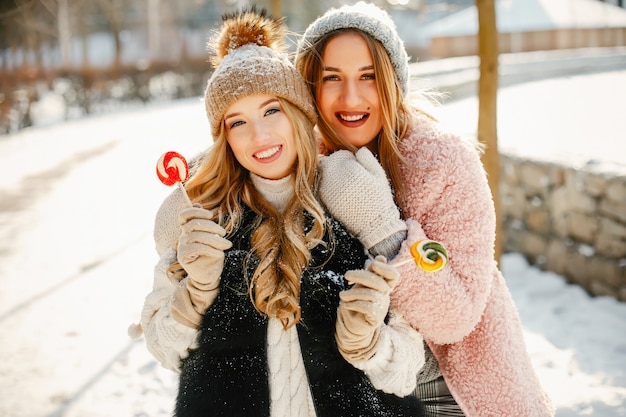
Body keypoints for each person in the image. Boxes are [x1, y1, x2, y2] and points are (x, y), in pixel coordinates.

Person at [130, 8, 427, 417]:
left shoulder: (351, 199)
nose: (260, 136)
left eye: (272, 111)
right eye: (237, 122)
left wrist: (371, 344)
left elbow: (409, 366)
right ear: (224, 139)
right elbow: (164, 350)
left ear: (299, 113)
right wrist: (194, 296)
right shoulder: (204, 217)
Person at [295, 2, 554, 417]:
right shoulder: (301, 166)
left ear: (393, 80)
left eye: (369, 76)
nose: (351, 97)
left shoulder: (441, 164)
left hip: (450, 395)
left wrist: (383, 230)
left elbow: (455, 318)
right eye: (331, 78)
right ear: (309, 84)